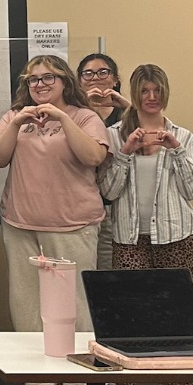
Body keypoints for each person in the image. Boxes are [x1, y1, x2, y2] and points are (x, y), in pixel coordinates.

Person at [0, 54, 110, 385]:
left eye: (47, 78)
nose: (39, 85)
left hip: (73, 223)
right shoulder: (14, 117)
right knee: (26, 306)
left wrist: (61, 118)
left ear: (65, 82)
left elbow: (93, 157)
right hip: (20, 222)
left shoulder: (84, 117)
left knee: (75, 308)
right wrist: (17, 123)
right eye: (32, 80)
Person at [98, 64, 193, 385]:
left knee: (175, 315)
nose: (151, 97)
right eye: (144, 91)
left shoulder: (183, 135)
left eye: (157, 90)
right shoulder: (115, 134)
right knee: (129, 314)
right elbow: (108, 191)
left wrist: (176, 150)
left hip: (177, 235)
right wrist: (126, 151)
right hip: (129, 236)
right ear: (135, 94)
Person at [77, 52, 128, 271]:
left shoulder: (125, 114)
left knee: (109, 272)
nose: (95, 78)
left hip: (117, 206)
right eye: (88, 73)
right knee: (81, 273)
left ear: (115, 79)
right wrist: (84, 106)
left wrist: (128, 107)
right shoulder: (73, 115)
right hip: (79, 206)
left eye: (103, 72)